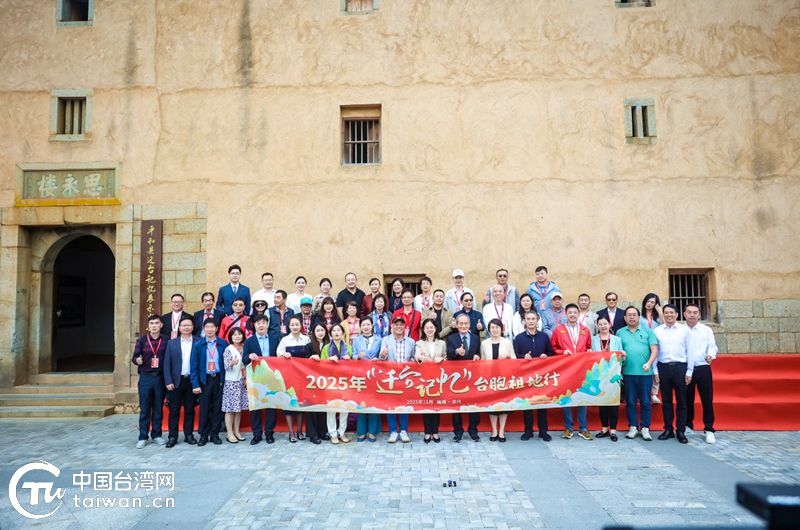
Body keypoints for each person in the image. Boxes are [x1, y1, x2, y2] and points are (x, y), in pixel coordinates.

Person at [551, 303, 593, 440]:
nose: (573, 315)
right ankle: (568, 427)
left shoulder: (585, 330)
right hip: (566, 369)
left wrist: (589, 351)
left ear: (578, 313)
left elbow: (589, 346)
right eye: (570, 312)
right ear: (566, 314)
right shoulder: (559, 330)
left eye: (575, 312)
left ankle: (583, 428)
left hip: (582, 369)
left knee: (582, 397)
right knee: (566, 397)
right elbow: (553, 348)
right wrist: (562, 352)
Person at [616, 306, 658, 441]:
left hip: (645, 373)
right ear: (625, 318)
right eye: (629, 315)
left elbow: (654, 350)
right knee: (630, 401)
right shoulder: (620, 332)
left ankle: (645, 427)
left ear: (639, 317)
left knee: (645, 401)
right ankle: (633, 426)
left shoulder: (648, 331)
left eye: (634, 314)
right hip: (628, 373)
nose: (632, 317)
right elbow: (617, 351)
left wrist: (649, 363)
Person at [653, 304, 693, 444]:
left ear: (676, 314)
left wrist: (689, 371)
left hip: (680, 367)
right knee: (666, 401)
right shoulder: (658, 331)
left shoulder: (684, 330)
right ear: (663, 314)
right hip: (663, 367)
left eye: (671, 312)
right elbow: (655, 352)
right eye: (666, 313)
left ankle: (681, 430)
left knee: (682, 400)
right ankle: (668, 429)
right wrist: (655, 371)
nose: (669, 315)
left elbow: (690, 351)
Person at [512, 310, 554, 442]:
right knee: (527, 404)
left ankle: (543, 431)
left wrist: (546, 355)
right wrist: (523, 356)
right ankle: (528, 431)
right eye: (528, 319)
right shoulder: (519, 338)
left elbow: (551, 352)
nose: (531, 321)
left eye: (533, 319)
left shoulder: (544, 337)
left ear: (537, 320)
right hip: (526, 376)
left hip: (542, 376)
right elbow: (515, 355)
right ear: (524, 321)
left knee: (542, 404)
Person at [190, 318, 229, 446]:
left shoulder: (223, 343)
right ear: (204, 329)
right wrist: (195, 384)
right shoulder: (198, 345)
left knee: (217, 409)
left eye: (212, 327)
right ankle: (203, 435)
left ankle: (215, 435)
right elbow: (193, 366)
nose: (210, 330)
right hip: (204, 380)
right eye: (207, 327)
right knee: (204, 409)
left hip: (218, 379)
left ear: (216, 328)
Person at [684, 303, 718, 444]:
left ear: (699, 314)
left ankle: (709, 429)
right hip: (686, 369)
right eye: (689, 312)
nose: (692, 315)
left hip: (703, 367)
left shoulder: (706, 330)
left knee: (707, 399)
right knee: (687, 399)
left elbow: (712, 346)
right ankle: (688, 425)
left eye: (695, 312)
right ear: (684, 314)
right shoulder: (680, 330)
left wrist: (711, 355)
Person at [132, 315, 168, 449]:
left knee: (158, 407)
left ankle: (157, 434)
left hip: (160, 377)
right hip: (146, 377)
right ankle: (143, 436)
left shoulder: (166, 340)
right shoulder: (141, 340)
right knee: (145, 408)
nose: (154, 326)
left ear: (161, 325)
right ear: (148, 326)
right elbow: (135, 357)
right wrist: (137, 360)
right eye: (151, 323)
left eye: (156, 323)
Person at [164, 316, 200, 448]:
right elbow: (166, 364)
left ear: (193, 327)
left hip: (191, 380)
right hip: (176, 381)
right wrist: (168, 381)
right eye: (184, 325)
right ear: (179, 328)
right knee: (174, 411)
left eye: (189, 325)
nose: (186, 327)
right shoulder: (171, 343)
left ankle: (188, 435)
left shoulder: (198, 341)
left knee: (190, 410)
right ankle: (172, 436)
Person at [379, 317, 416, 443]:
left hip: (405, 378)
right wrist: (383, 354)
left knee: (405, 404)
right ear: (392, 326)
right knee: (391, 404)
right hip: (391, 377)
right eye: (396, 324)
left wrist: (409, 363)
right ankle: (393, 431)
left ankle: (404, 430)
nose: (399, 327)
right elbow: (381, 358)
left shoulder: (411, 341)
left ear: (405, 327)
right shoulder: (386, 340)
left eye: (401, 324)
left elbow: (413, 358)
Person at [446, 314, 481, 442]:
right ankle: (458, 431)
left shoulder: (476, 338)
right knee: (457, 406)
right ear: (456, 324)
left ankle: (473, 430)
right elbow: (448, 354)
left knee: (474, 405)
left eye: (466, 323)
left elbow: (478, 352)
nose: (463, 326)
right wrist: (456, 352)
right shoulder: (451, 338)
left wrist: (477, 356)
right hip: (457, 379)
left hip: (473, 377)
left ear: (469, 325)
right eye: (460, 323)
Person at [276, 315, 311, 443]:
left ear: (301, 325)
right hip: (288, 376)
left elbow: (309, 356)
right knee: (289, 403)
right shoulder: (285, 340)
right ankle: (291, 432)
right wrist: (283, 354)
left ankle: (300, 430)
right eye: (292, 325)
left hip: (302, 376)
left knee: (301, 403)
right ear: (289, 326)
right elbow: (278, 355)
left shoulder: (306, 339)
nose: (295, 327)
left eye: (297, 324)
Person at [590, 316, 625, 442]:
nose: (603, 326)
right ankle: (604, 428)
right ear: (597, 326)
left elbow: (622, 357)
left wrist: (623, 355)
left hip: (614, 375)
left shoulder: (617, 339)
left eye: (605, 324)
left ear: (609, 325)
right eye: (600, 324)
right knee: (602, 403)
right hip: (599, 375)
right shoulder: (593, 339)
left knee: (613, 404)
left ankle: (613, 430)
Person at [243, 314, 276, 445]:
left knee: (271, 405)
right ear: (254, 325)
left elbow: (278, 356)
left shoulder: (274, 338)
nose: (261, 325)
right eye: (258, 323)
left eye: (263, 322)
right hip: (255, 377)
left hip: (271, 377)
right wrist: (249, 356)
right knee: (256, 407)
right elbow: (244, 359)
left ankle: (269, 433)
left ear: (267, 324)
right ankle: (257, 434)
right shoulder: (249, 341)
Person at [481, 318, 515, 442]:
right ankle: (494, 430)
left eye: (497, 327)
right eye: (492, 327)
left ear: (501, 329)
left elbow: (514, 359)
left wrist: (507, 357)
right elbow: (482, 361)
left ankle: (502, 431)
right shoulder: (484, 343)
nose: (495, 330)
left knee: (503, 405)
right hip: (490, 378)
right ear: (489, 329)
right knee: (492, 405)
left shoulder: (507, 342)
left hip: (504, 378)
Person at [319, 324, 352, 444]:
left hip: (345, 381)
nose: (337, 332)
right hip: (331, 382)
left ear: (342, 333)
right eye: (334, 331)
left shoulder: (348, 347)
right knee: (331, 409)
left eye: (339, 330)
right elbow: (321, 365)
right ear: (330, 334)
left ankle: (341, 432)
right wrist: (329, 361)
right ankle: (333, 433)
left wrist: (349, 360)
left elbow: (354, 366)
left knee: (344, 408)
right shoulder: (326, 348)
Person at [414, 318, 445, 443]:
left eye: (431, 327)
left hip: (438, 380)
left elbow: (446, 357)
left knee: (437, 406)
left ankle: (435, 431)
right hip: (425, 380)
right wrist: (420, 357)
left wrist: (442, 359)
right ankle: (427, 432)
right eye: (427, 327)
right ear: (423, 330)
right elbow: (417, 356)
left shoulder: (442, 343)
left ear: (435, 328)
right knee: (426, 406)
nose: (429, 330)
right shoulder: (419, 343)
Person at [353, 316, 383, 442]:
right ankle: (361, 432)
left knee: (374, 403)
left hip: (374, 375)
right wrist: (358, 357)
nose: (366, 327)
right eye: (363, 325)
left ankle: (372, 431)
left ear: (372, 326)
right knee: (360, 403)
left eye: (368, 325)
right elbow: (352, 355)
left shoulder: (379, 339)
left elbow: (382, 355)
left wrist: (379, 358)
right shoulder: (356, 340)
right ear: (360, 327)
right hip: (360, 374)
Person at [304, 324, 330, 444]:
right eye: (317, 330)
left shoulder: (330, 345)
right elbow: (303, 364)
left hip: (326, 381)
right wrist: (310, 358)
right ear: (313, 332)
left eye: (322, 330)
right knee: (312, 407)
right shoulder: (309, 346)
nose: (320, 332)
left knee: (323, 407)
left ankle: (322, 432)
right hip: (312, 381)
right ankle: (313, 434)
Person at [222, 327, 248, 444]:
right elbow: (226, 366)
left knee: (238, 409)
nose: (237, 336)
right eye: (234, 335)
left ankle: (237, 431)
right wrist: (231, 363)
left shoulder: (245, 347)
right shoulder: (229, 349)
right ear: (231, 337)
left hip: (241, 382)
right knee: (230, 409)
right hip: (231, 382)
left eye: (239, 334)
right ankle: (230, 433)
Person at [640, 292, 664, 404]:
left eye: (652, 302)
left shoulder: (657, 317)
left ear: (656, 304)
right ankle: (643, 392)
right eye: (648, 301)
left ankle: (654, 393)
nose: (649, 304)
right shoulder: (640, 316)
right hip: (643, 344)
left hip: (655, 344)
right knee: (645, 366)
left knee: (655, 368)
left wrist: (660, 312)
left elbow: (664, 326)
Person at [267, 290, 294, 357]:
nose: (275, 299)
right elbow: (266, 327)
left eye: (278, 297)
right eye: (275, 297)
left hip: (287, 340)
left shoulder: (291, 312)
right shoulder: (269, 311)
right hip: (272, 340)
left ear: (284, 299)